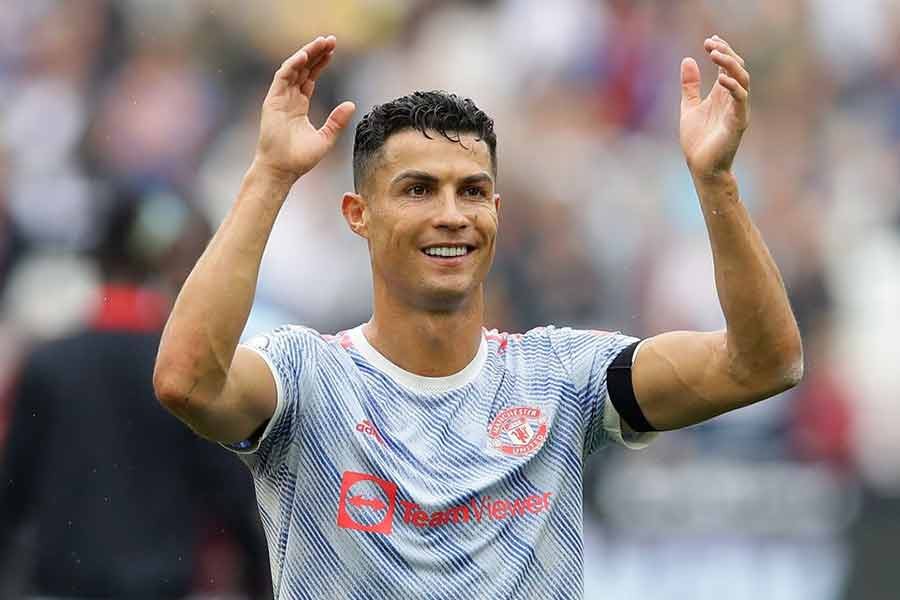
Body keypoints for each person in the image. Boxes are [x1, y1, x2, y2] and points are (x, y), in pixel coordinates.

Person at [154, 34, 803, 598]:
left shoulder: (562, 378)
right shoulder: (307, 377)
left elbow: (764, 364)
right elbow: (186, 381)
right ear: (358, 215)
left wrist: (716, 181)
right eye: (418, 190)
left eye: (472, 191)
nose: (451, 215)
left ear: (496, 211)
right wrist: (270, 174)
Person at [0, 190, 269, 598]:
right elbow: (230, 494)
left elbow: (13, 492)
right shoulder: (187, 374)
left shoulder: (49, 364)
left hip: (64, 585)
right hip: (160, 585)